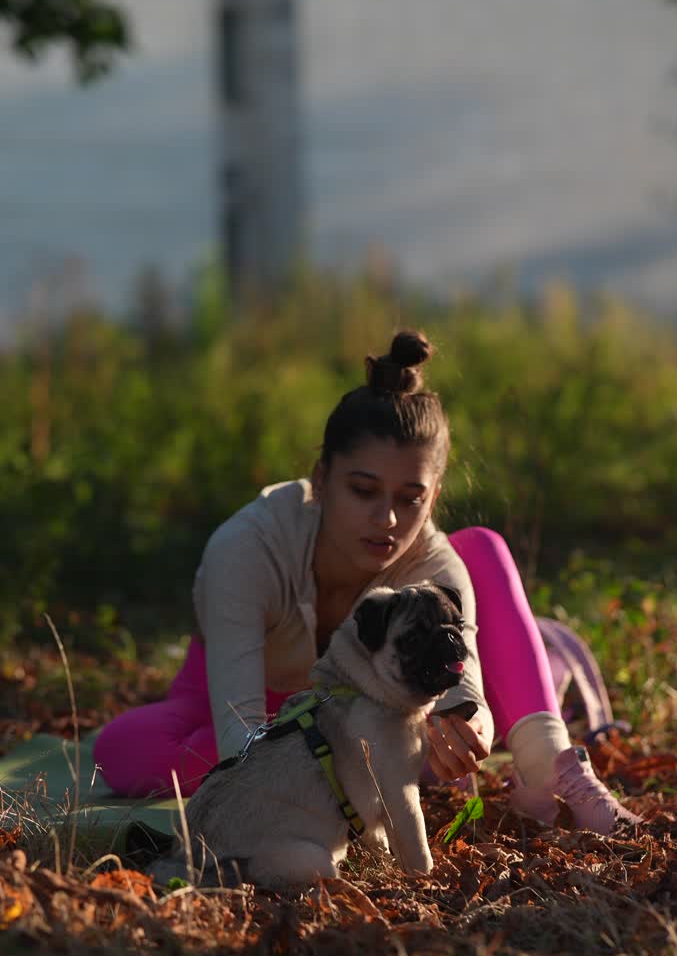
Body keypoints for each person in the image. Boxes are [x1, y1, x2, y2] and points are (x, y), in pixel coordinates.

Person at [94, 329, 628, 834]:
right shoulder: (247, 547)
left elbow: (462, 697)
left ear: (433, 498)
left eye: (409, 499)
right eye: (363, 490)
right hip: (254, 692)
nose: (387, 519)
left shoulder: (434, 564)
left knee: (480, 548)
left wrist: (470, 733)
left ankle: (549, 762)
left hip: (378, 707)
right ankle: (523, 671)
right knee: (125, 750)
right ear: (322, 478)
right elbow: (240, 737)